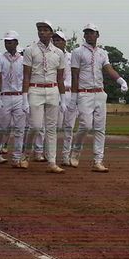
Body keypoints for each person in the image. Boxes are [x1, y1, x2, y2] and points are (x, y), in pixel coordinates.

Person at [69, 23, 128, 172]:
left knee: (100, 128)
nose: (89, 35)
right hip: (84, 93)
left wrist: (120, 80)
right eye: (87, 33)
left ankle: (98, 160)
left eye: (92, 32)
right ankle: (76, 150)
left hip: (99, 93)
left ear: (97, 34)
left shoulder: (102, 53)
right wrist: (74, 96)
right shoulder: (77, 52)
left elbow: (108, 69)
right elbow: (75, 74)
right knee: (86, 125)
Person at [22, 20, 68, 173]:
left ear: (51, 33)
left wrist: (63, 98)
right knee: (35, 126)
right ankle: (26, 154)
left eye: (45, 30)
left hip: (53, 90)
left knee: (51, 129)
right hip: (35, 89)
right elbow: (26, 76)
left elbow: (60, 77)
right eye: (40, 30)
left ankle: (52, 162)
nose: (42, 32)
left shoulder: (58, 53)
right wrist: (24, 97)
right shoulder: (30, 50)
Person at [0, 30, 28, 168]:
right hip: (5, 96)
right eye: (6, 41)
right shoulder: (0, 58)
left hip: (19, 95)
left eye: (11, 41)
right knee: (2, 128)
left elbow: (26, 78)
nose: (8, 44)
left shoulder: (23, 59)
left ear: (17, 43)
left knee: (20, 129)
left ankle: (16, 157)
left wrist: (25, 98)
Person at [52, 30, 78, 166]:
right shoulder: (50, 56)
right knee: (54, 127)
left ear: (64, 42)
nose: (56, 42)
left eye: (59, 40)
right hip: (55, 92)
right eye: (54, 40)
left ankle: (66, 156)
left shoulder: (72, 56)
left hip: (70, 93)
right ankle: (51, 156)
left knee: (69, 127)